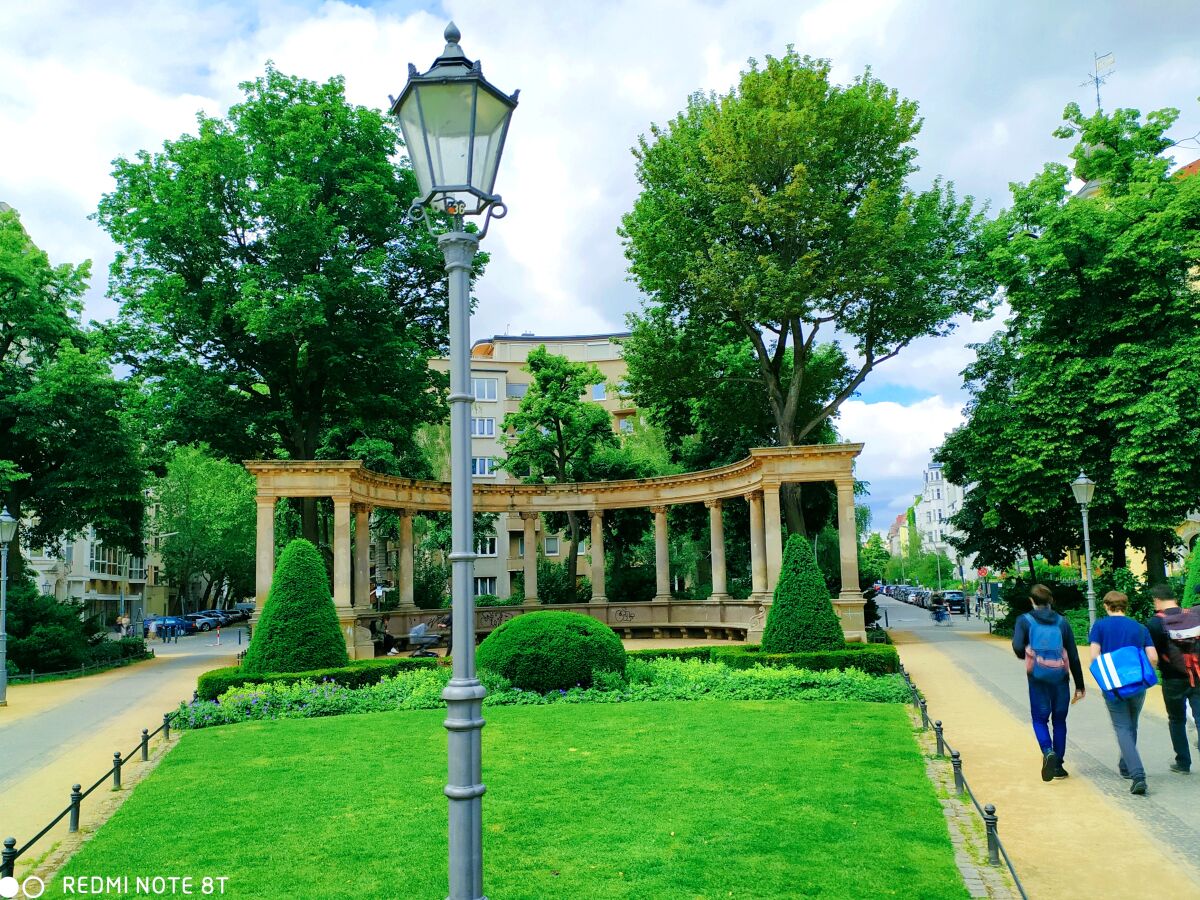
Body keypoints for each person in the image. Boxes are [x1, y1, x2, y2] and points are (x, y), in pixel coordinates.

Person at [1012, 584, 1085, 782]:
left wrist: (1029, 653)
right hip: (1061, 678)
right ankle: (1059, 766)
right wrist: (1080, 685)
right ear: (1051, 600)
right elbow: (1074, 656)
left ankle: (1047, 750)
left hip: (1037, 678)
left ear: (1031, 601)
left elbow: (1018, 648)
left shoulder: (1024, 621)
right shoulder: (1062, 622)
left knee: (1039, 719)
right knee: (1060, 721)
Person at [1089, 591, 1158, 795]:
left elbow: (1094, 656)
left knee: (1122, 727)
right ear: (1125, 606)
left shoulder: (1100, 626)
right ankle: (1126, 765)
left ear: (1105, 605)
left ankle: (1137, 774)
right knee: (1132, 724)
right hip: (1136, 684)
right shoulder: (1139, 627)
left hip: (1114, 686)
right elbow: (1152, 657)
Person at [1147, 583, 1200, 774]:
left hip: (1172, 679)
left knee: (1176, 720)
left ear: (1157, 600)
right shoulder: (1193, 614)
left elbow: (1152, 653)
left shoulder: (1155, 623)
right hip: (1197, 674)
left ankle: (1183, 763)